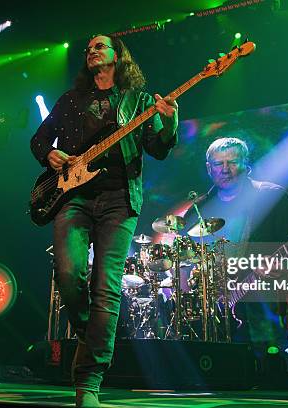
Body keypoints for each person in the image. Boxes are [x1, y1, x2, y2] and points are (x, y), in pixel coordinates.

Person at [30, 34, 178, 407]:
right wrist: (51, 154)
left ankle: (88, 383)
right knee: (68, 274)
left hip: (119, 200)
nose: (92, 51)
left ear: (117, 56)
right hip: (73, 196)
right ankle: (90, 333)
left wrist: (170, 123)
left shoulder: (140, 101)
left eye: (100, 46)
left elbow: (158, 150)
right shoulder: (69, 100)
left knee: (106, 288)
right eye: (89, 48)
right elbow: (39, 139)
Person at [184, 137, 288, 387]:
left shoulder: (270, 196)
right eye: (218, 163)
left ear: (246, 164)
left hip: (271, 291)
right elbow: (189, 256)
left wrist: (283, 265)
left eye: (232, 162)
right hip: (221, 294)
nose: (225, 169)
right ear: (208, 168)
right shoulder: (199, 209)